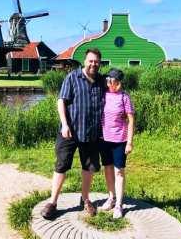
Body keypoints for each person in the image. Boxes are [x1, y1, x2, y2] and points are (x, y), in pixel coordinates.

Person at [40, 48, 105, 220]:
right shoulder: (72, 77)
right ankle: (52, 202)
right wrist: (65, 125)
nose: (93, 64)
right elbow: (61, 101)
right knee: (61, 165)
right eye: (90, 61)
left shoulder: (102, 81)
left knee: (89, 167)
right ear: (85, 61)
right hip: (70, 131)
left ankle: (85, 199)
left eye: (96, 61)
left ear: (100, 63)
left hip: (91, 132)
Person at [98, 68, 135, 219]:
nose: (112, 84)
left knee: (119, 171)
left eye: (115, 81)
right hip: (104, 139)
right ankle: (111, 198)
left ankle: (119, 204)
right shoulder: (104, 95)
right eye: (110, 80)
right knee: (107, 169)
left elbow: (131, 120)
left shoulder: (124, 97)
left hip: (120, 140)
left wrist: (130, 142)